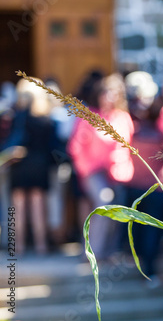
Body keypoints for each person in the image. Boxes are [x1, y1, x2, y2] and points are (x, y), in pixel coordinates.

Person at [67, 73, 134, 259]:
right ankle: (91, 252)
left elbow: (127, 147)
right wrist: (85, 171)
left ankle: (109, 252)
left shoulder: (123, 117)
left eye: (114, 93)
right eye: (106, 93)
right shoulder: (89, 116)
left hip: (118, 173)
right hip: (93, 172)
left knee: (118, 211)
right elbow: (75, 147)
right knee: (104, 202)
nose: (109, 97)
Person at [124, 71, 163, 281]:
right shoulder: (125, 119)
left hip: (156, 186)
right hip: (133, 183)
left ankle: (150, 269)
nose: (141, 102)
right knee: (135, 227)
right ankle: (141, 267)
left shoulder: (162, 117)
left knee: (153, 227)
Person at [9, 78, 58, 255]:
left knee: (18, 208)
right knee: (38, 207)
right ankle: (41, 246)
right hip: (40, 165)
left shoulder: (17, 116)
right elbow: (53, 146)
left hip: (20, 163)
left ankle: (18, 247)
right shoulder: (46, 119)